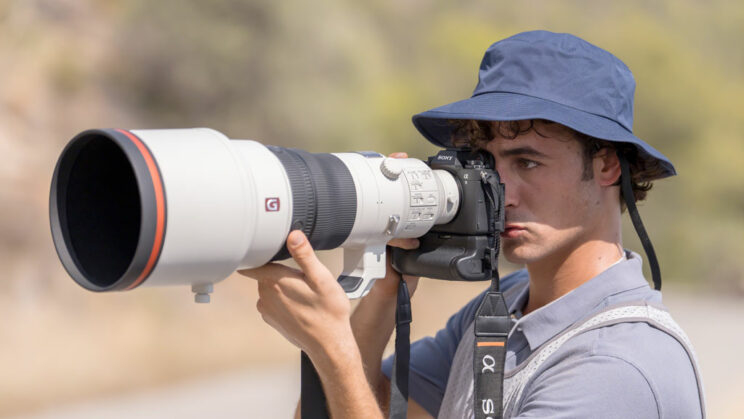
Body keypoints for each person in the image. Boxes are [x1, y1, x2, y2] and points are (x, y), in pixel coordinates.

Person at [239, 30, 705, 418]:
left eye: (528, 163)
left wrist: (332, 349)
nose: (502, 193)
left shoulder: (614, 364)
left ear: (607, 167)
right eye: (486, 165)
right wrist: (385, 287)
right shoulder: (505, 311)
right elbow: (348, 409)